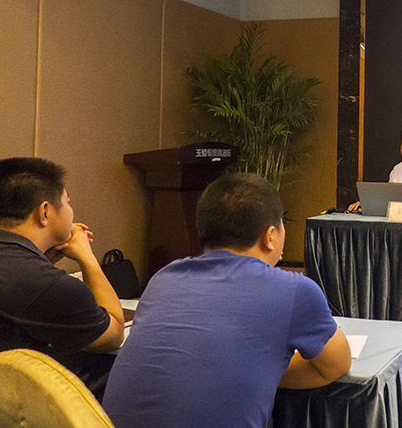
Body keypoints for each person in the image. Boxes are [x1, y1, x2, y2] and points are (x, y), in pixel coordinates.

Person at [102, 172, 351, 428]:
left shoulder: (163, 279)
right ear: (270, 236)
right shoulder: (295, 290)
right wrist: (263, 371)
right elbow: (336, 365)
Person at [0, 157, 125, 399]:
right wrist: (87, 258)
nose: (70, 212)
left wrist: (42, 261)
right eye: (67, 203)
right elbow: (114, 334)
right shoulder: (44, 284)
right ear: (44, 212)